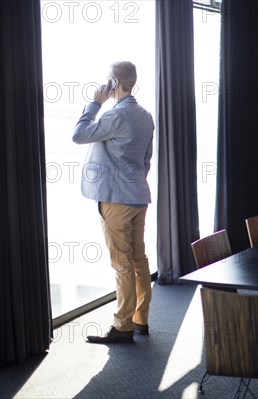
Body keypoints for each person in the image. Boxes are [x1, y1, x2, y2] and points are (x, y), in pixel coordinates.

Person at [73, 61, 154, 344]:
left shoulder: (116, 116)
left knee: (121, 263)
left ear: (114, 83)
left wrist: (95, 103)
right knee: (138, 259)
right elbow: (146, 161)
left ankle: (122, 327)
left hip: (117, 202)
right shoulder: (145, 116)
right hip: (138, 197)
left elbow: (79, 135)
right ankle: (140, 319)